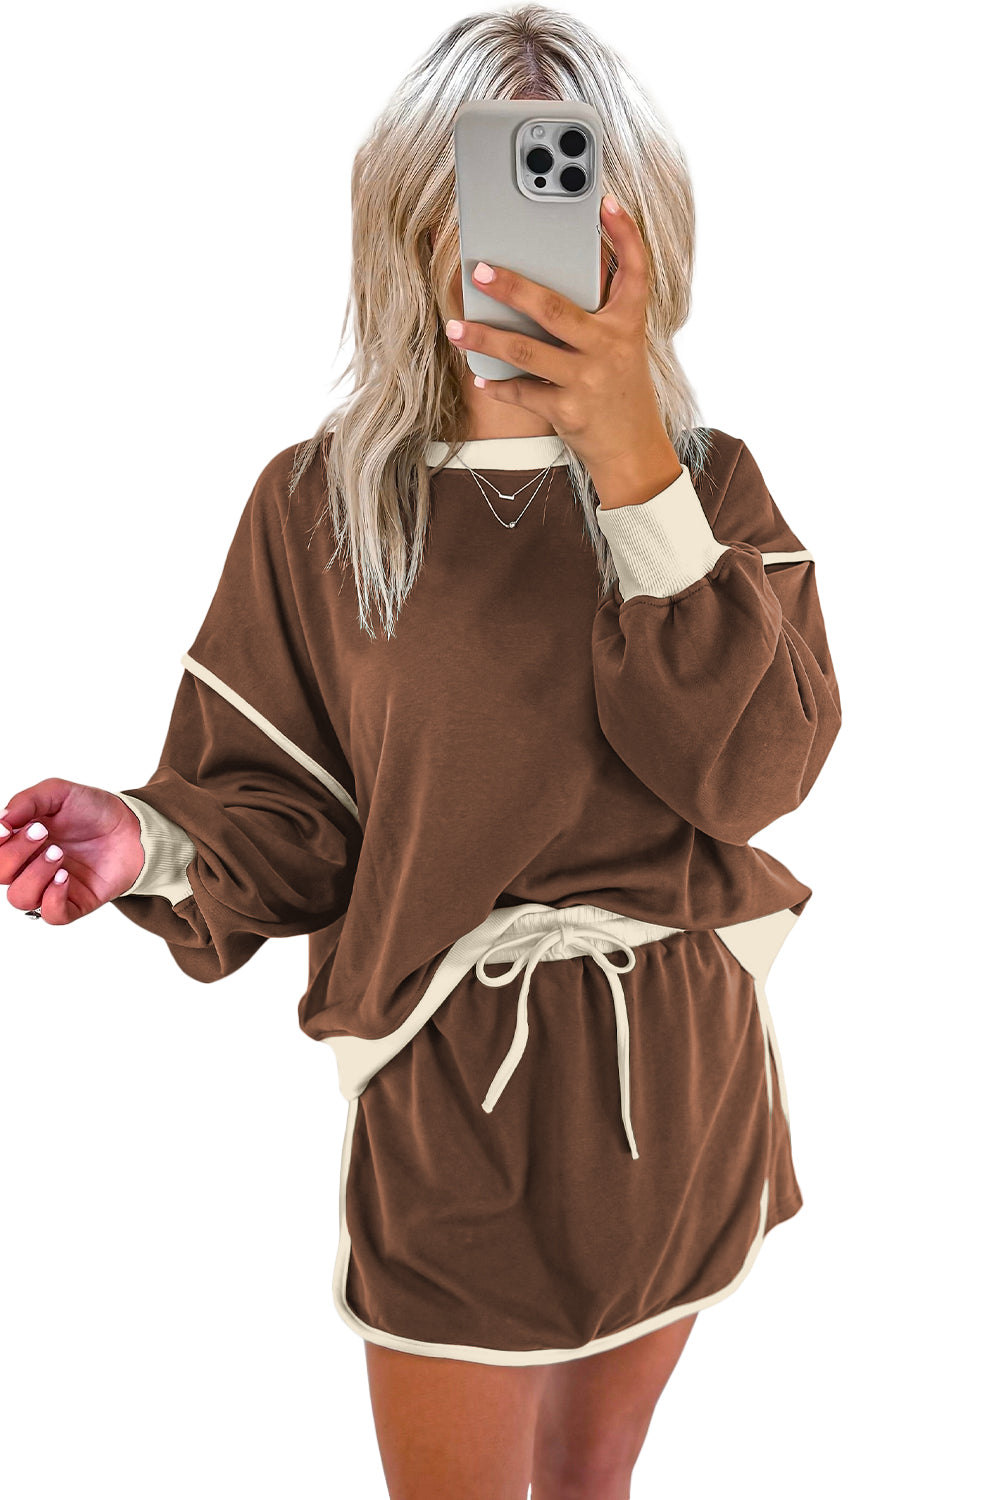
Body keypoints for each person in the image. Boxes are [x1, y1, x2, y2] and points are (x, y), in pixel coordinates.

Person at [0, 7, 842, 1497]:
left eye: (575, 199)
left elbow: (750, 774)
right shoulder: (323, 504)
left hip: (680, 1065)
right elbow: (293, 811)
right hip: (453, 1083)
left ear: (647, 232)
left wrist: (633, 467)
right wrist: (155, 839)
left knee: (589, 1486)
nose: (531, 254)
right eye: (496, 200)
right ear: (410, 228)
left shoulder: (708, 488)